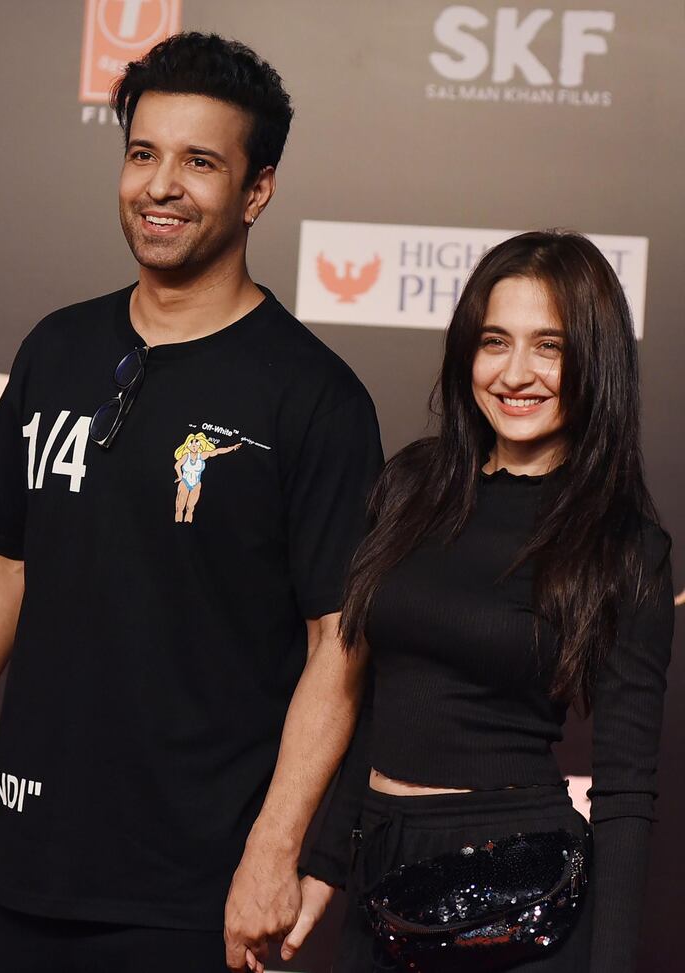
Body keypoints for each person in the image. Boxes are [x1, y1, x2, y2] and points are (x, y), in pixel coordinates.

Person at [0, 32, 382, 973]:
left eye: (200, 162)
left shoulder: (314, 397)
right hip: (15, 861)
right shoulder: (57, 347)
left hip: (189, 893)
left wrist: (276, 848)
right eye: (143, 153)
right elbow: (0, 556)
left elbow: (340, 644)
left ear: (257, 189)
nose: (161, 185)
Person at [269, 230, 674, 973]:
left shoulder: (624, 545)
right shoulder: (411, 485)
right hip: (383, 869)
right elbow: (370, 697)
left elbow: (626, 793)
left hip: (518, 887)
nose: (515, 372)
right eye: (496, 340)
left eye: (549, 346)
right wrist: (322, 865)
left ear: (596, 360)